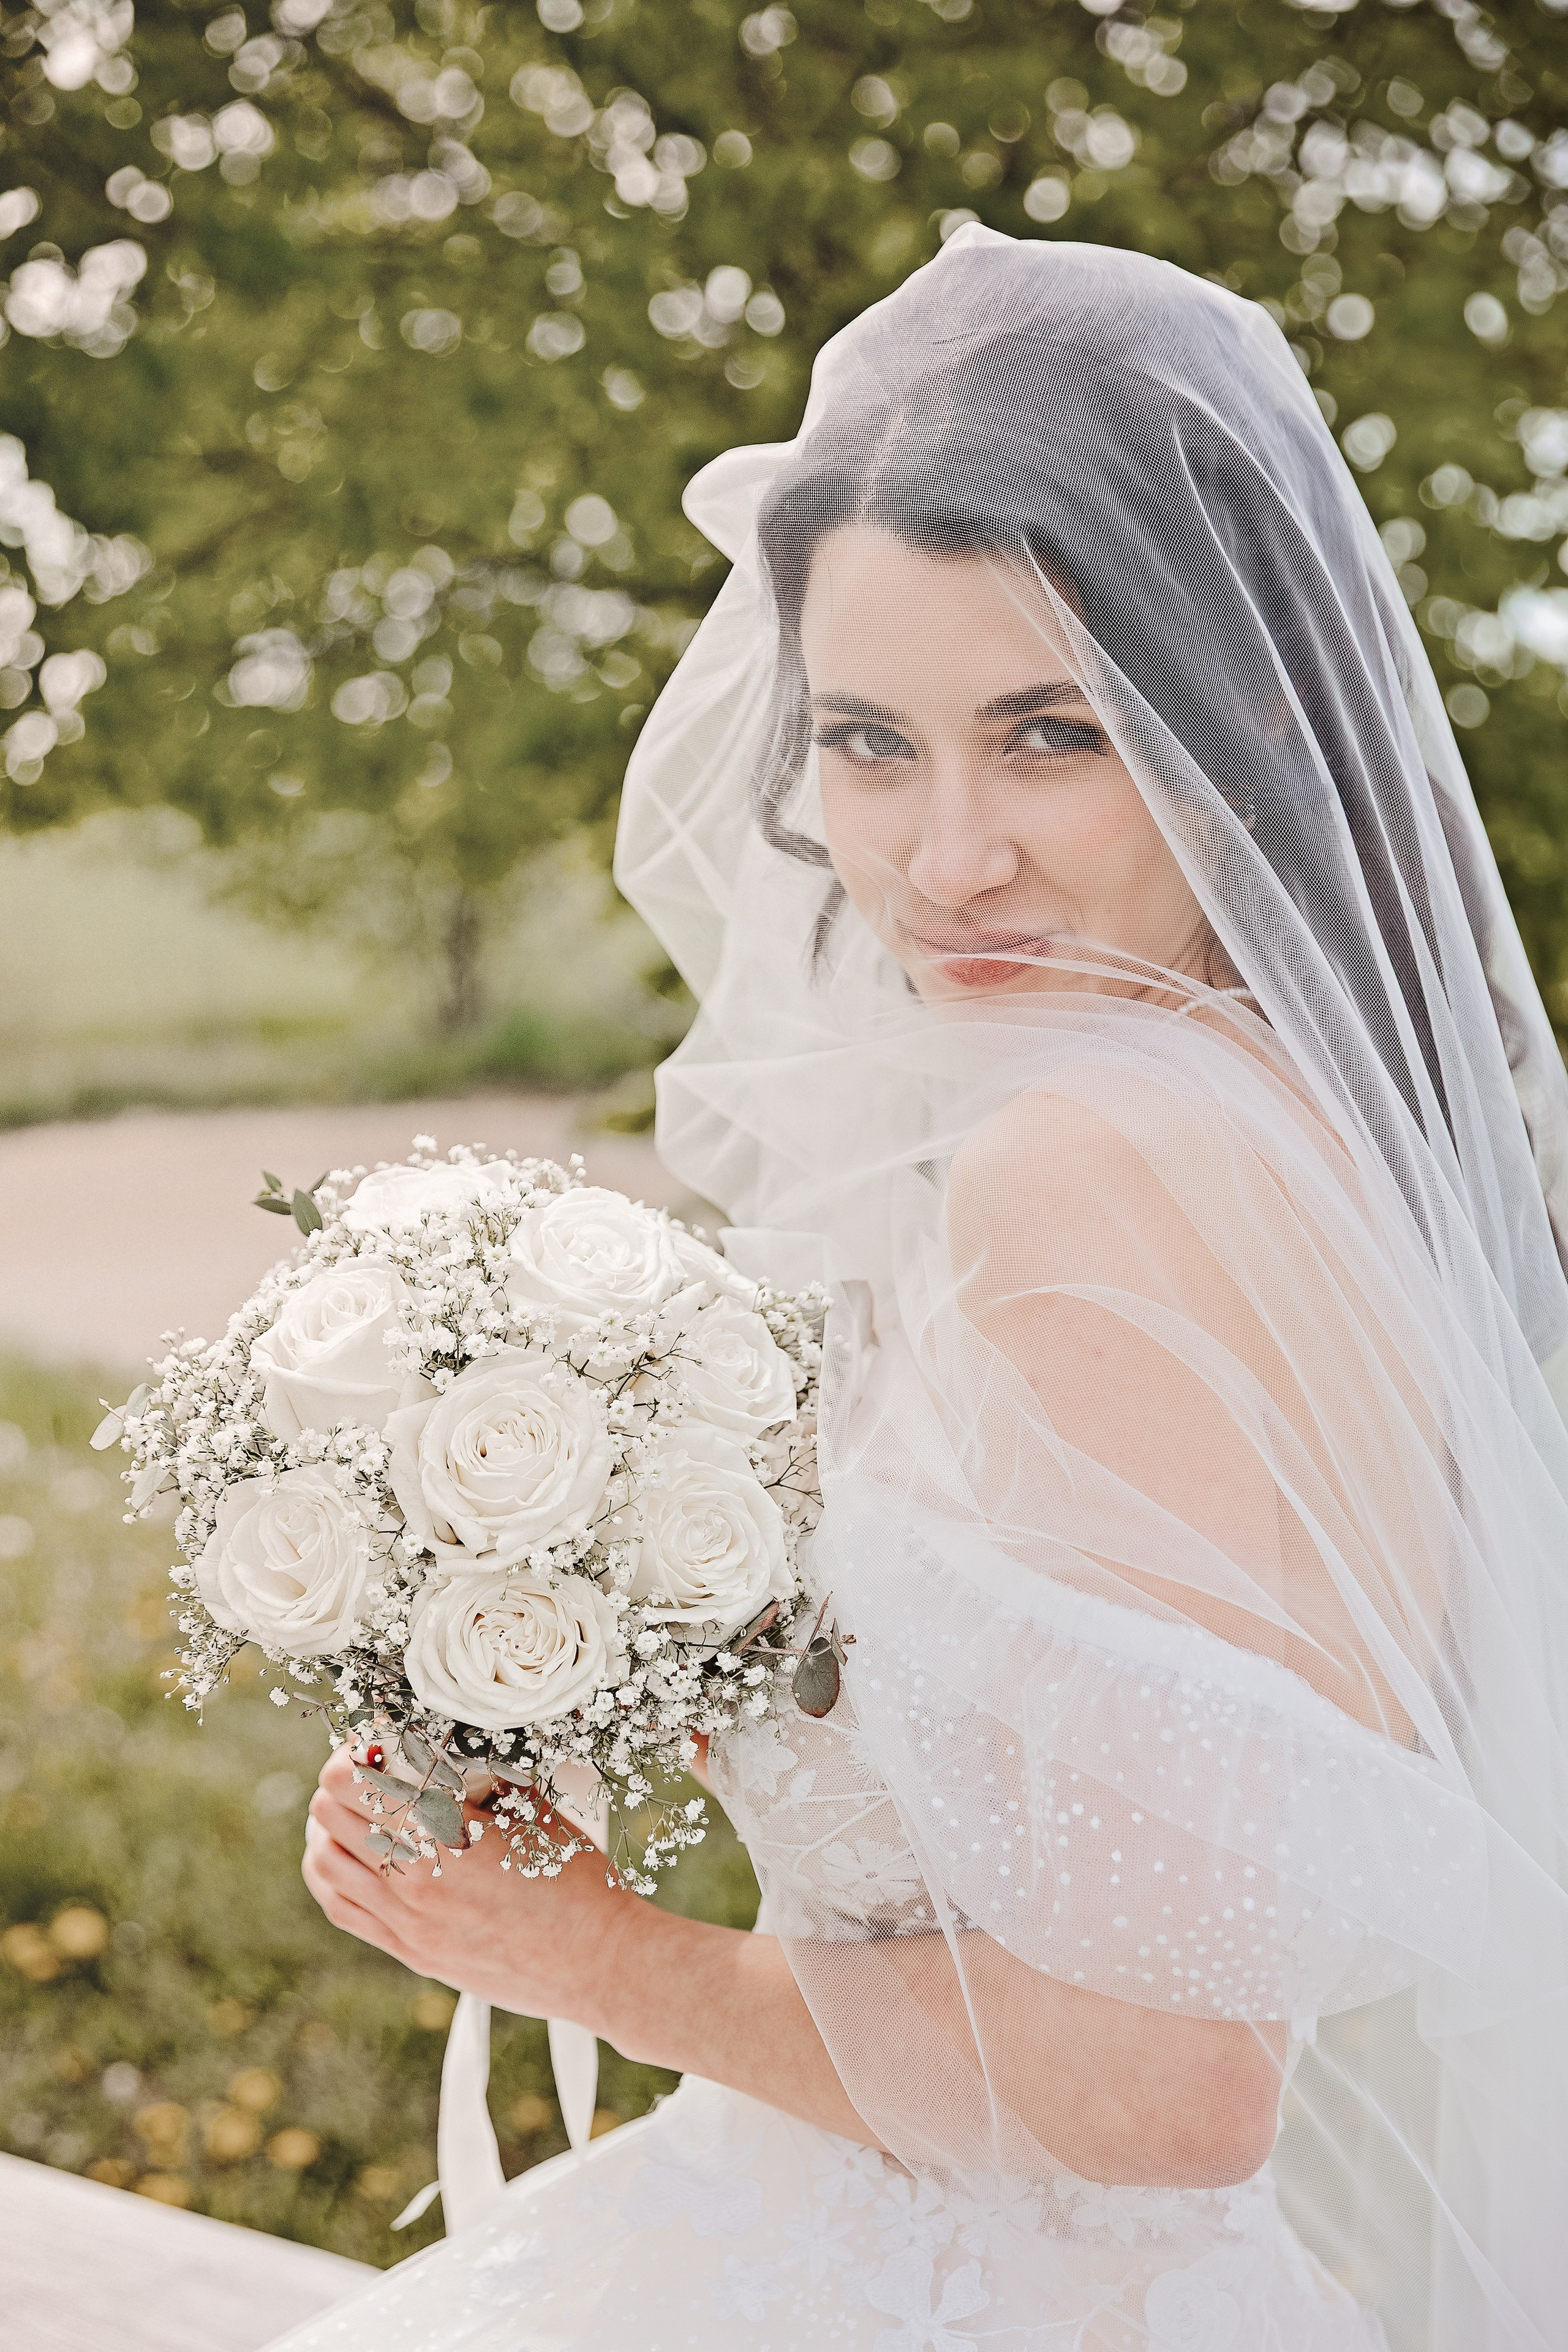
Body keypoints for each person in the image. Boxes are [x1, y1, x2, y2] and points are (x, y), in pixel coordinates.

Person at [269, 227, 1568, 2352]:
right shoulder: (1287, 1110)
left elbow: (1160, 2083)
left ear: (1233, 719)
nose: (945, 858)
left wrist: (577, 1952)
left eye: (1048, 736)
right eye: (871, 742)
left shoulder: (1088, 1167)